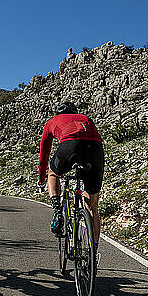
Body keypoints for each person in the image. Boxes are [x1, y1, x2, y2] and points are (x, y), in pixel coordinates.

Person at [37, 102, 104, 255]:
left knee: (53, 173)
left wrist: (41, 180)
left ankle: (57, 211)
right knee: (93, 206)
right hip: (95, 149)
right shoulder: (86, 118)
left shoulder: (52, 121)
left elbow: (44, 154)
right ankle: (93, 251)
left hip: (70, 145)